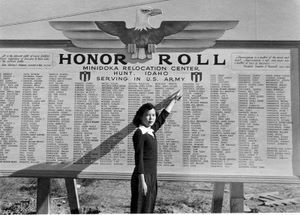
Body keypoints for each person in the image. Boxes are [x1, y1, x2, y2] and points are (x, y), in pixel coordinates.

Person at [130, 91, 182, 213]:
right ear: (141, 116)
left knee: (149, 207)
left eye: (153, 115)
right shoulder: (140, 133)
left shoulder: (150, 130)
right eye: (148, 115)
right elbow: (139, 159)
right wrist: (142, 182)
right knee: (140, 208)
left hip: (152, 176)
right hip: (142, 177)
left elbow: (162, 117)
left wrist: (173, 101)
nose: (151, 118)